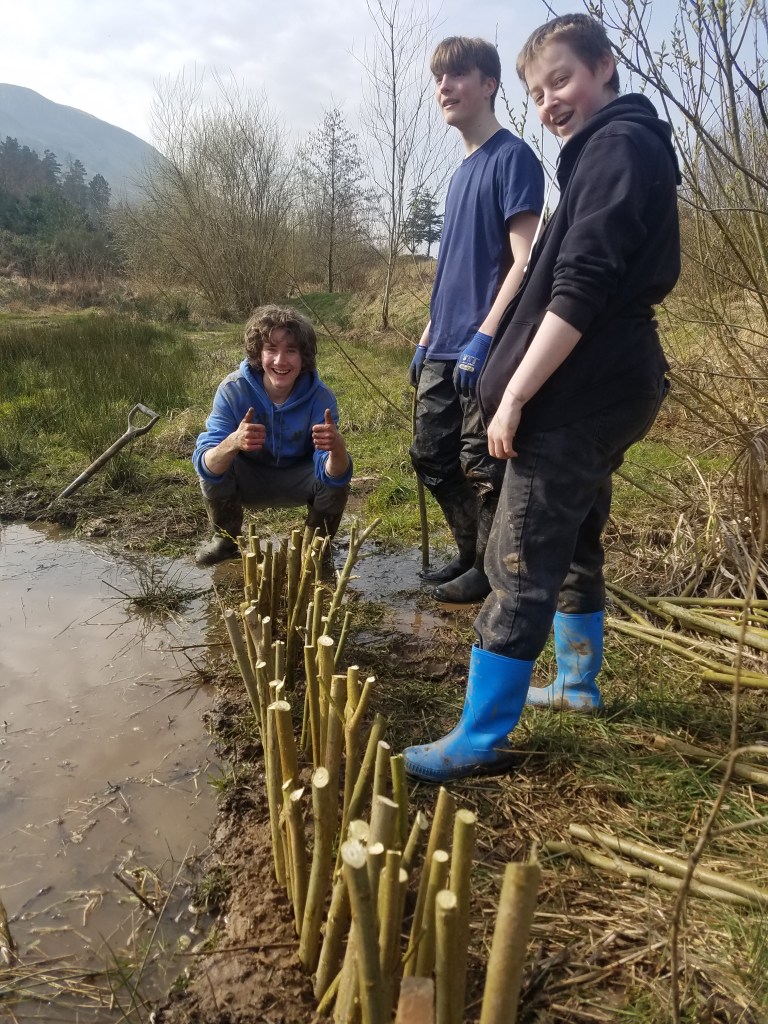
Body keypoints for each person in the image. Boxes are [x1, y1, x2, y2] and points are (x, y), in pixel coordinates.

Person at [404, 13, 681, 781]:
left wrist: (516, 393)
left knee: (518, 554)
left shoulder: (617, 148)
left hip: (580, 394)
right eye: (537, 91)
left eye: (561, 79)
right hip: (611, 387)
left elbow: (580, 286)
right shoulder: (610, 149)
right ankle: (578, 683)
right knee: (577, 533)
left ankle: (480, 736)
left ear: (604, 66)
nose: (550, 100)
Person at [409, 36, 544, 603]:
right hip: (444, 344)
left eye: (457, 75)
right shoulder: (461, 172)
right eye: (438, 78)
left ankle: (488, 573)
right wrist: (427, 337)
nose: (444, 87)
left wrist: (486, 335)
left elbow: (526, 261)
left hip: (485, 347)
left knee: (479, 465)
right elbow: (452, 271)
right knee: (429, 455)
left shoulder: (513, 158)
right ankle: (470, 554)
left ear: (488, 84)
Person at [192, 305, 352, 566]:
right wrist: (233, 442)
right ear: (259, 353)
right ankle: (225, 541)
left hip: (299, 478)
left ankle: (316, 549)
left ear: (303, 357)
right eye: (271, 349)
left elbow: (333, 473)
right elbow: (205, 464)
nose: (280, 361)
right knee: (216, 460)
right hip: (249, 478)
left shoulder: (321, 398)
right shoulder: (232, 390)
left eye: (291, 351)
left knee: (339, 477)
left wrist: (337, 448)